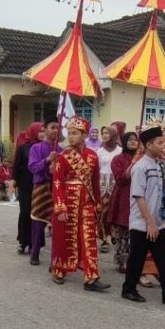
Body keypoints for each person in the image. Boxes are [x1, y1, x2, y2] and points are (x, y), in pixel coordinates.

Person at [120, 125, 165, 306]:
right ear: (149, 145)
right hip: (142, 223)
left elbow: (163, 192)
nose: (163, 146)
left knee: (163, 260)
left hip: (158, 222)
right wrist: (149, 223)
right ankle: (128, 289)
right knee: (136, 259)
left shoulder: (160, 165)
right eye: (160, 143)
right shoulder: (140, 167)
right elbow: (139, 197)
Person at [49, 116, 110, 292]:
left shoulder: (92, 156)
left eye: (75, 133)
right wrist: (60, 206)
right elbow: (57, 183)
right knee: (64, 238)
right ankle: (59, 269)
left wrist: (98, 203)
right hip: (68, 204)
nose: (71, 136)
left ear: (84, 135)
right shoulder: (63, 157)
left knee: (89, 239)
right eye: (69, 133)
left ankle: (91, 277)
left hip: (87, 204)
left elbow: (96, 181)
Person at [28, 121, 61, 266]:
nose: (55, 130)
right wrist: (47, 160)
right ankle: (34, 252)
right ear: (46, 130)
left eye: (57, 128)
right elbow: (33, 167)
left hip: (57, 187)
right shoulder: (36, 148)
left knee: (58, 223)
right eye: (52, 128)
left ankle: (57, 257)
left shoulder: (61, 149)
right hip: (41, 187)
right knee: (37, 222)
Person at [107, 131, 139, 273]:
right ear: (124, 142)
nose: (133, 142)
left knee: (137, 231)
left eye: (135, 140)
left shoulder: (143, 158)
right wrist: (133, 163)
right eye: (130, 140)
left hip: (139, 197)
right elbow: (120, 178)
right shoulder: (118, 159)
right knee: (124, 229)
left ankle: (136, 260)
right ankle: (123, 261)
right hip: (123, 196)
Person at [13, 122, 42, 255]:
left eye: (43, 130)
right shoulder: (24, 148)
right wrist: (14, 182)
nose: (42, 133)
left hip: (40, 185)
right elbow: (16, 166)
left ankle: (34, 243)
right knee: (25, 213)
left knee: (37, 215)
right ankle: (22, 241)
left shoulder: (46, 147)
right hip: (25, 186)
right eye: (39, 131)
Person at [95, 126, 123, 253]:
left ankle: (114, 233)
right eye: (103, 133)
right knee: (103, 213)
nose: (105, 135)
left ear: (113, 135)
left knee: (115, 213)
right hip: (102, 186)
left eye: (107, 133)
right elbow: (96, 170)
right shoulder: (99, 151)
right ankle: (104, 239)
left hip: (116, 186)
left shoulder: (120, 151)